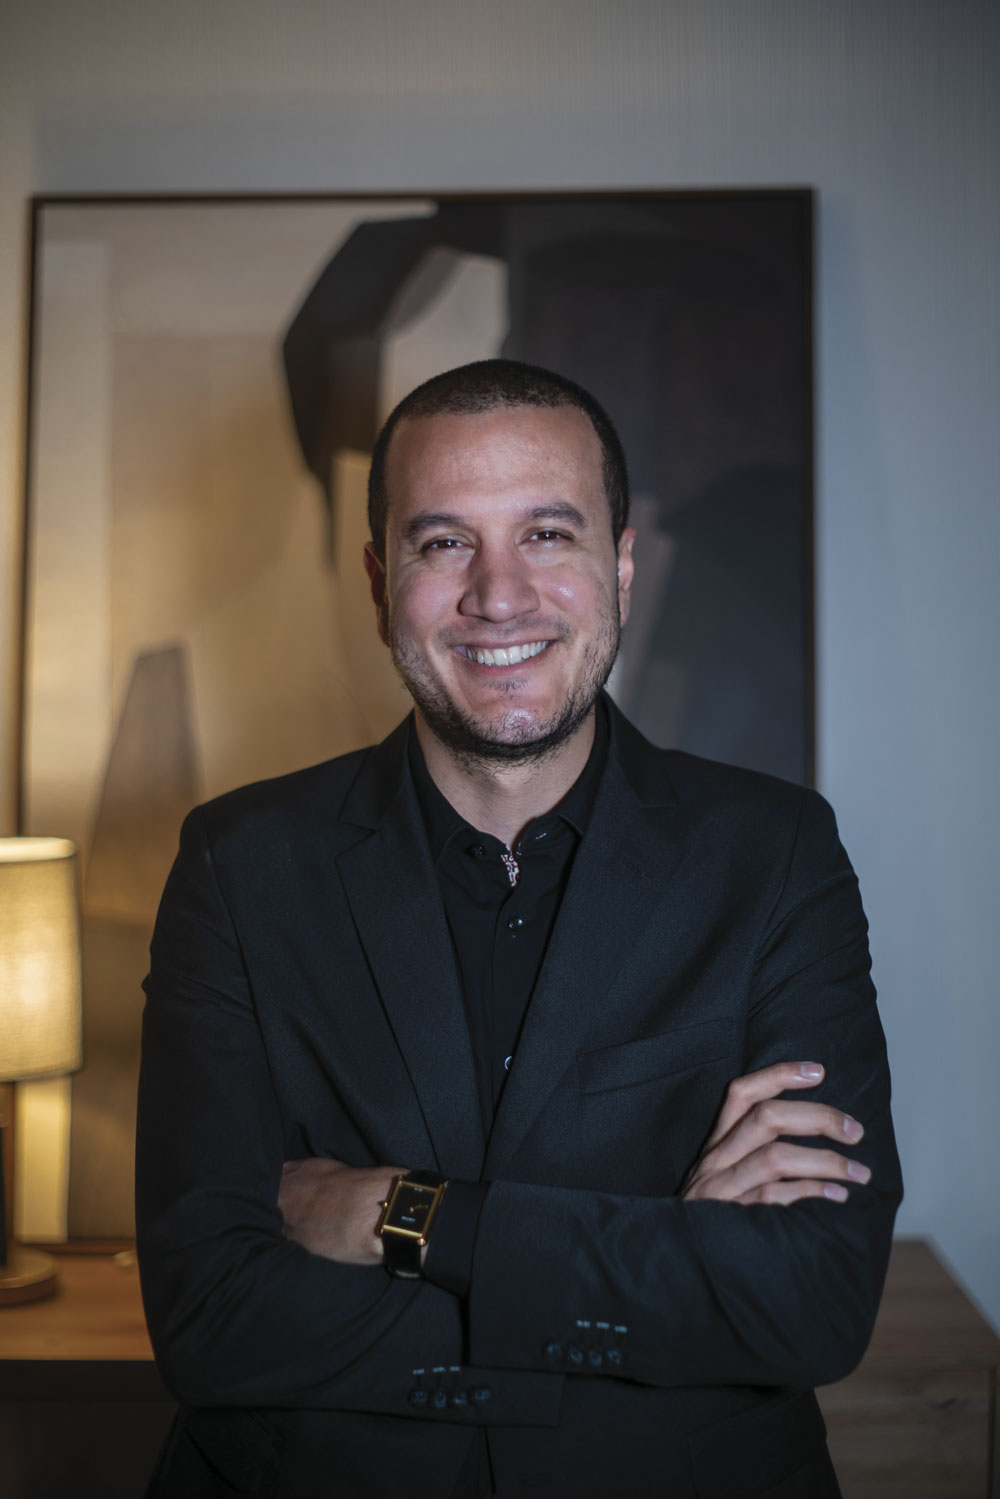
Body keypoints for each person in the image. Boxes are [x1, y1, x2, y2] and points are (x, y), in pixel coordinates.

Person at [136, 359, 901, 1499]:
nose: (499, 595)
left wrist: (406, 1216)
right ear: (378, 580)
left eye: (547, 534)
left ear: (621, 567)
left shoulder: (775, 854)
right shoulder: (237, 864)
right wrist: (658, 1285)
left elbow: (810, 1302)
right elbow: (210, 1318)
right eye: (444, 542)